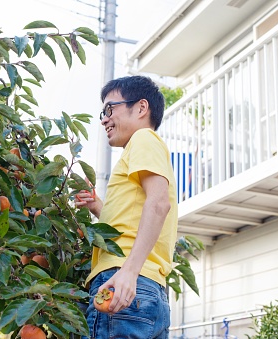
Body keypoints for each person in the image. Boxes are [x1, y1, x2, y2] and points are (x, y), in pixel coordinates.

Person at [76, 75, 178, 338]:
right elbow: (135, 214)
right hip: (148, 290)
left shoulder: (143, 139)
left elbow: (158, 204)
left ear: (141, 108)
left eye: (110, 109)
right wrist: (97, 205)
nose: (104, 119)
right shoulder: (143, 150)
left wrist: (128, 272)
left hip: (123, 283)